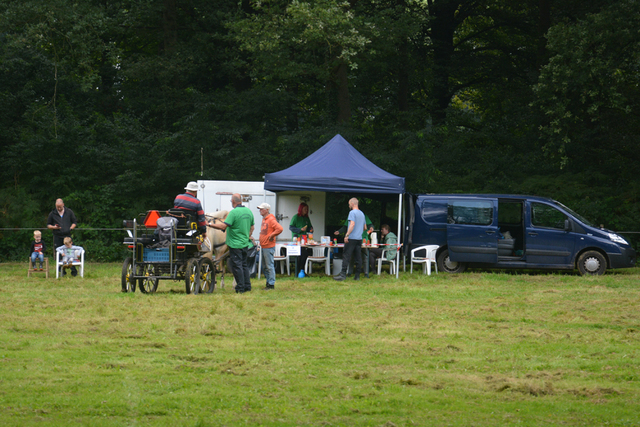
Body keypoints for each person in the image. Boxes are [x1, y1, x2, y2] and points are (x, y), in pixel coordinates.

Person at [208, 193, 255, 293]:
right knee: (244, 265)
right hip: (245, 243)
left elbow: (223, 226)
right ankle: (247, 286)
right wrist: (247, 235)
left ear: (233, 201)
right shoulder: (249, 212)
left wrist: (210, 225)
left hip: (235, 244)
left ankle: (240, 288)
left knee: (237, 266)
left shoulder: (233, 213)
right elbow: (252, 227)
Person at [334, 198, 366, 281]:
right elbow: (365, 227)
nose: (349, 206)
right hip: (359, 239)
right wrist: (359, 232)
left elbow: (352, 224)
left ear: (352, 204)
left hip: (351, 239)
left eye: (349, 204)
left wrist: (347, 235)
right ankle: (357, 276)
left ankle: (342, 275)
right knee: (358, 258)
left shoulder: (352, 212)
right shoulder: (362, 214)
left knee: (346, 256)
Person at [257, 203, 283, 290]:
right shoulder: (264, 219)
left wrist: (272, 236)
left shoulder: (271, 219)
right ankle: (268, 282)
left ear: (267, 210)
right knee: (264, 266)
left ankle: (271, 284)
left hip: (268, 246)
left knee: (269, 265)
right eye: (259, 209)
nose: (260, 210)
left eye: (261, 209)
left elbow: (280, 228)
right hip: (264, 246)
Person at [289, 202, 314, 276]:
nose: (306, 210)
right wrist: (300, 230)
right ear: (301, 209)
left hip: (305, 240)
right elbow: (291, 227)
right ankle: (299, 271)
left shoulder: (306, 218)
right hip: (297, 240)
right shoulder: (295, 217)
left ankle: (301, 270)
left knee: (305, 254)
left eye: (307, 209)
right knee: (300, 255)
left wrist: (311, 230)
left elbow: (310, 227)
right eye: (305, 209)